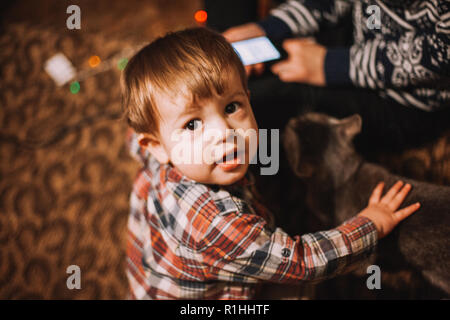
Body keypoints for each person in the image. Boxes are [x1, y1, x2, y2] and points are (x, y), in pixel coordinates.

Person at [122, 27, 420, 299]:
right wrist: (370, 225)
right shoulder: (217, 223)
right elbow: (302, 262)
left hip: (157, 260)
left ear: (248, 99)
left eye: (231, 107)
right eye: (192, 125)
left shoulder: (160, 147)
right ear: (156, 146)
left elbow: (133, 139)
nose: (225, 133)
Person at [223, 0, 450, 154]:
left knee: (277, 97)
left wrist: (327, 65)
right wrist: (267, 29)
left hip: (405, 104)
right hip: (359, 47)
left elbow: (433, 55)